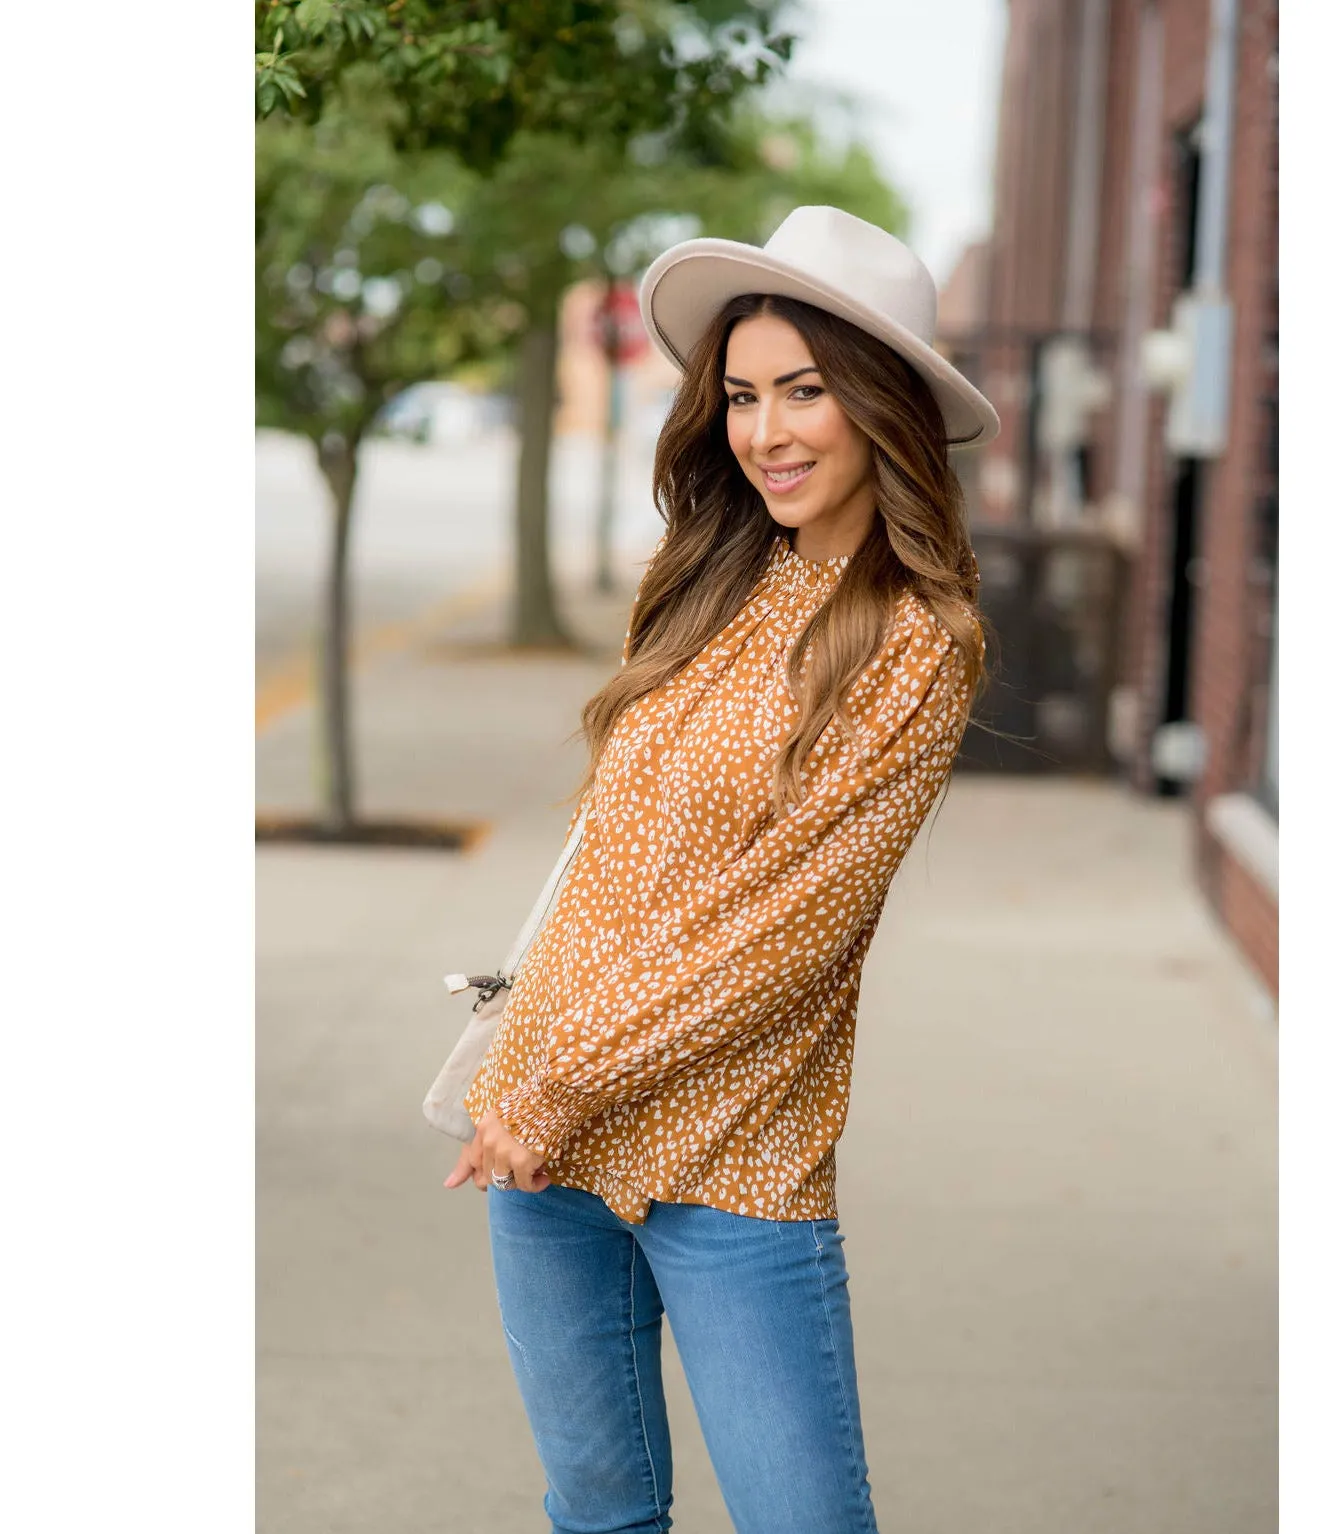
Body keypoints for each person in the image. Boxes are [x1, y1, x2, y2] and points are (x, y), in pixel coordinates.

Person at [444, 205, 1001, 1534]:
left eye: (804, 391)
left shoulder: (917, 642)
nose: (766, 431)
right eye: (743, 394)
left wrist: (563, 1084)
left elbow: (784, 934)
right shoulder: (700, 581)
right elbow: (614, 864)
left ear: (884, 408)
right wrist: (529, 1077)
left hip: (731, 1157)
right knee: (598, 1514)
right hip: (539, 1145)